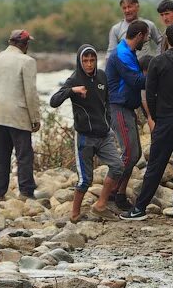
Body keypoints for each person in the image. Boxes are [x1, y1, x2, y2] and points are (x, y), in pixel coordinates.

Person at [120, 23, 173, 223]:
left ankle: (140, 208)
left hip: (166, 120)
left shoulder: (158, 63)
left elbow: (150, 93)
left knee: (156, 166)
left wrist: (156, 117)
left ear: (166, 40)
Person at [49, 45, 123, 222]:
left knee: (118, 166)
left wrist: (108, 122)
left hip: (104, 135)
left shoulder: (102, 76)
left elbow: (107, 102)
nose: (89, 64)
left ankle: (100, 205)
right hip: (84, 137)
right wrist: (72, 91)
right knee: (85, 180)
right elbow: (53, 101)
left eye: (92, 60)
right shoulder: (74, 79)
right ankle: (74, 214)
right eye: (85, 61)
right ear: (79, 61)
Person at [0, 29, 42, 201]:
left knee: (0, 155)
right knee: (24, 155)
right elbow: (30, 93)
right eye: (28, 43)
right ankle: (26, 192)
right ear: (24, 44)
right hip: (17, 114)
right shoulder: (27, 61)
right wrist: (35, 118)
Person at [104, 21, 151, 210]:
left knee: (135, 153)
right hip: (118, 107)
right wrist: (161, 74)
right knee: (129, 154)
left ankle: (120, 194)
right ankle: (108, 196)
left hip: (127, 107)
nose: (147, 40)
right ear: (139, 35)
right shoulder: (121, 54)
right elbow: (136, 81)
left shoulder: (128, 52)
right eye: (146, 36)